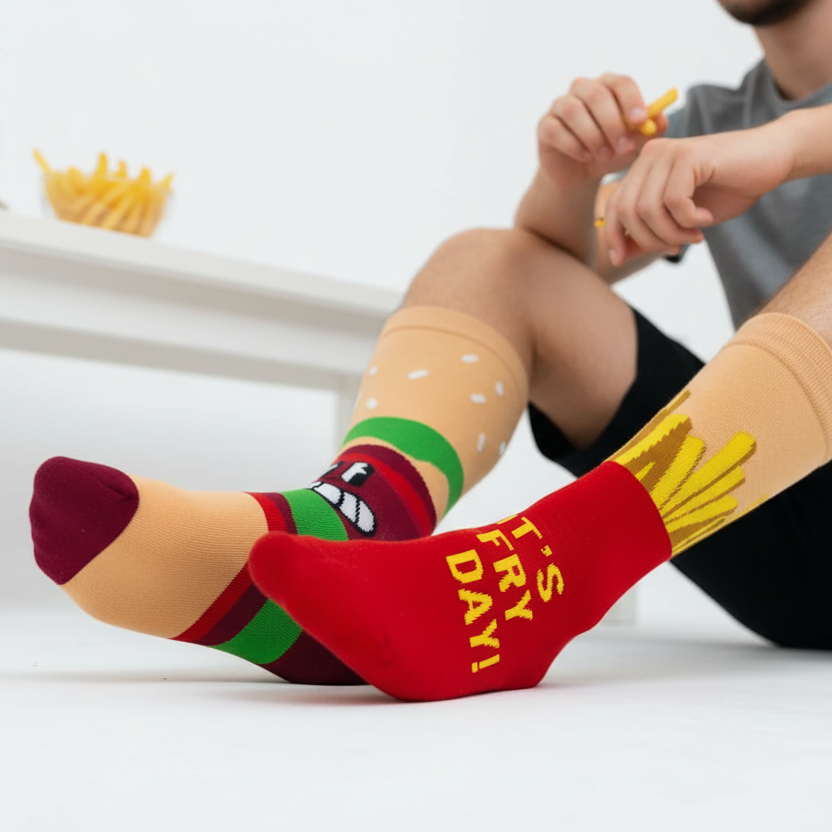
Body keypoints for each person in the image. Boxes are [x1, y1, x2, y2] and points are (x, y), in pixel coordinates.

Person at [28, 0, 832, 698]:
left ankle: (554, 567)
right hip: (774, 517)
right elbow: (550, 273)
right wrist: (567, 179)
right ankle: (350, 529)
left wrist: (792, 144)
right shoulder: (712, 118)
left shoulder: (768, 133)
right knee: (487, 259)